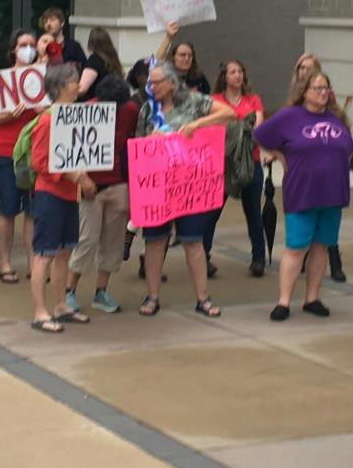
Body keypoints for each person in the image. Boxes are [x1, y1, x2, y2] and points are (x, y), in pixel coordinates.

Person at [134, 61, 236, 318]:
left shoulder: (193, 101)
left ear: (171, 83)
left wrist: (197, 126)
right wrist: (150, 140)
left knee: (193, 242)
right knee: (155, 242)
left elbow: (228, 113)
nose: (152, 86)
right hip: (158, 186)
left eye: (156, 82)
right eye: (150, 83)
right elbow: (138, 145)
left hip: (188, 186)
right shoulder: (148, 109)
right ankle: (152, 296)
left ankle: (203, 298)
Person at [255, 68, 353, 322]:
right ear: (304, 92)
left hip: (333, 193)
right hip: (302, 192)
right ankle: (284, 301)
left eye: (326, 89)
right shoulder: (290, 116)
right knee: (296, 247)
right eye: (318, 89)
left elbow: (349, 149)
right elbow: (260, 134)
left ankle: (312, 297)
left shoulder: (336, 118)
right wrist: (278, 155)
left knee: (321, 246)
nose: (323, 93)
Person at [26, 63, 93, 332]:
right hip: (49, 195)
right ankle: (40, 312)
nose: (79, 85)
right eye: (74, 81)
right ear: (61, 86)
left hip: (68, 195)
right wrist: (74, 176)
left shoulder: (73, 115)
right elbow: (40, 162)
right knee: (44, 254)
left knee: (64, 252)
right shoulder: (47, 120)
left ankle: (60, 305)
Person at [66, 83, 138, 318]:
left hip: (119, 183)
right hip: (92, 185)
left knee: (113, 241)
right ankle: (69, 291)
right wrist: (82, 180)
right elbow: (73, 148)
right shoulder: (87, 109)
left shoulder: (130, 110)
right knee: (88, 238)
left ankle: (101, 292)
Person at [0, 30, 42, 282]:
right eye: (22, 44)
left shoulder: (41, 79)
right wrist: (9, 116)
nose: (28, 48)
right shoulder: (1, 81)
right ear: (13, 50)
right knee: (7, 209)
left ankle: (33, 264)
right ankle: (5, 264)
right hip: (7, 151)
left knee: (32, 211)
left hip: (35, 152)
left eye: (31, 44)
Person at [289, 51, 346, 283]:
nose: (305, 72)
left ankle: (334, 263)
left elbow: (343, 133)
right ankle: (302, 262)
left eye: (310, 68)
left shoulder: (327, 102)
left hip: (328, 175)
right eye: (301, 68)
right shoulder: (295, 103)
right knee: (303, 226)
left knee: (326, 231)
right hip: (304, 176)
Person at [216, 59, 267, 275]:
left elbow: (258, 127)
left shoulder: (253, 100)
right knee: (212, 212)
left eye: (240, 71)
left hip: (250, 162)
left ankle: (258, 258)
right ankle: (204, 254)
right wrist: (240, 126)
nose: (237, 75)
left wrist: (233, 126)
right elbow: (215, 126)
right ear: (224, 77)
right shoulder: (215, 100)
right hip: (223, 164)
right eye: (232, 72)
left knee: (253, 211)